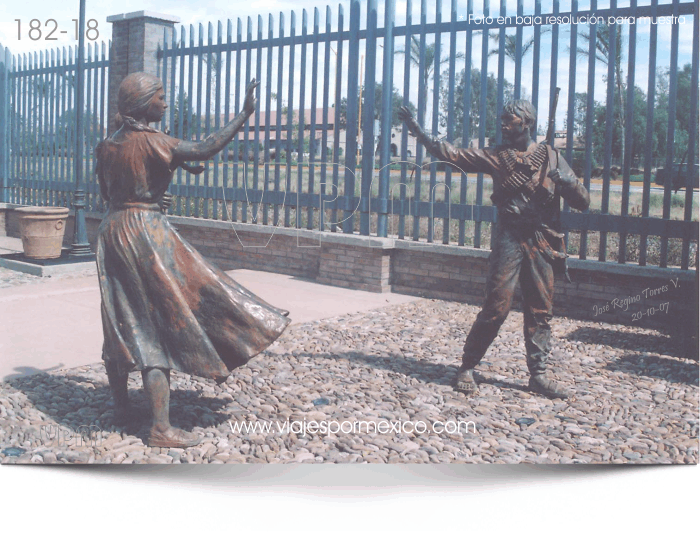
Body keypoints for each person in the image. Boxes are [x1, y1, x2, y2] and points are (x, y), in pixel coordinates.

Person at [95, 72, 291, 447]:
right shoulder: (155, 140)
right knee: (155, 318)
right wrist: (243, 115)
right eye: (161, 97)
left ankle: (121, 406)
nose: (165, 104)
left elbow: (109, 192)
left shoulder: (107, 144)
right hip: (143, 234)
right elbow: (204, 148)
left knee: (118, 315)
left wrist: (150, 194)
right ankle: (160, 428)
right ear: (142, 104)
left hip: (113, 229)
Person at [398, 100, 589, 399]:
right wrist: (417, 130)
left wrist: (566, 183)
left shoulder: (552, 157)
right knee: (496, 307)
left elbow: (583, 201)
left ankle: (538, 375)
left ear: (526, 123)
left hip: (541, 239)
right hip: (509, 238)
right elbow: (451, 154)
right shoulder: (497, 156)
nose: (502, 124)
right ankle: (467, 365)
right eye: (502, 119)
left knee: (540, 309)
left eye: (508, 120)